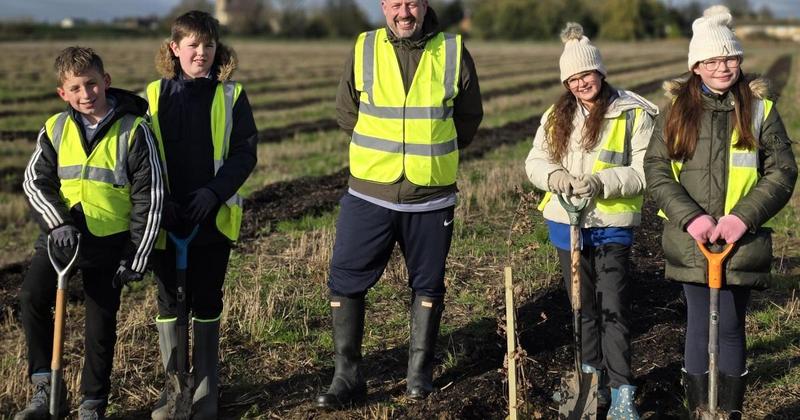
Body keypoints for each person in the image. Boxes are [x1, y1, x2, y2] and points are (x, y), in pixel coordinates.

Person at [315, 0, 482, 409]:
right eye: (395, 3)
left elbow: (468, 117)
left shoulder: (454, 51)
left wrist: (427, 153)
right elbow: (345, 110)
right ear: (383, 7)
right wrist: (384, 154)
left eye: (411, 2)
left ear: (424, 6)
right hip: (370, 192)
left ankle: (418, 378)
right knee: (345, 278)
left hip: (430, 196)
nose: (403, 12)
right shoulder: (364, 47)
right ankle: (347, 377)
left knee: (427, 285)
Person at [644, 5, 797, 418]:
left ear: (739, 60)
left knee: (729, 324)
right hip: (691, 238)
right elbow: (656, 171)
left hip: (739, 238)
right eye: (711, 60)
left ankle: (728, 411)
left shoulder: (759, 109)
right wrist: (692, 218)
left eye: (729, 58)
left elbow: (782, 171)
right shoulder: (675, 112)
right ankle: (699, 408)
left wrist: (740, 218)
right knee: (697, 323)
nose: (722, 67)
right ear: (696, 66)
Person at [17, 46, 163, 419]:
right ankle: (45, 389)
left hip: (108, 242)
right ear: (62, 93)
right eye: (76, 88)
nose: (86, 94)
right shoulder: (55, 128)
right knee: (32, 297)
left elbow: (152, 194)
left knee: (100, 323)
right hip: (60, 237)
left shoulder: (134, 131)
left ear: (106, 82)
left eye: (92, 84)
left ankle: (92, 403)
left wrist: (137, 254)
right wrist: (58, 223)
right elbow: (36, 181)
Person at [525, 22, 658, 418]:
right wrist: (555, 177)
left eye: (586, 73)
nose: (581, 82)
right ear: (566, 81)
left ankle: (621, 391)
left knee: (612, 305)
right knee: (580, 306)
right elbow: (535, 160)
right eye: (573, 77)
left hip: (611, 222)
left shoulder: (633, 112)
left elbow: (647, 170)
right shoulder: (556, 115)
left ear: (600, 70)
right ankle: (589, 380)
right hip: (567, 225)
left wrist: (600, 183)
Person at [145, 10, 257, 420]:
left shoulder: (232, 95)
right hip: (167, 220)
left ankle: (206, 387)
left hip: (211, 219)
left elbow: (245, 152)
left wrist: (214, 192)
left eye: (208, 45)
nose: (201, 53)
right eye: (192, 45)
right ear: (175, 48)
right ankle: (174, 389)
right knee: (169, 301)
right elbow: (143, 156)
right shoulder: (154, 96)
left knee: (206, 298)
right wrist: (162, 201)